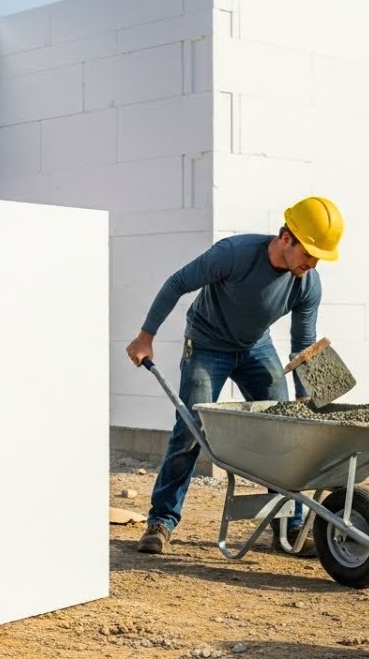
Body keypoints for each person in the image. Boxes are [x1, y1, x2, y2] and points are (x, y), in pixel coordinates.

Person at [123, 196, 344, 555]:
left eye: (320, 256)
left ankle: (290, 527)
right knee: (191, 429)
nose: (313, 262)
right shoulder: (234, 254)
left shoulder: (307, 282)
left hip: (256, 347)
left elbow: (303, 343)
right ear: (286, 238)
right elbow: (178, 283)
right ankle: (161, 522)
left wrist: (308, 402)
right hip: (207, 343)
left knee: (285, 428)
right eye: (309, 252)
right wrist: (145, 336)